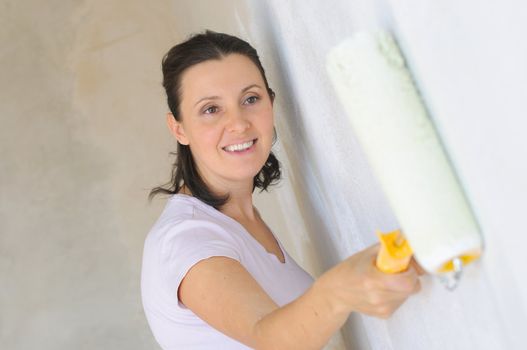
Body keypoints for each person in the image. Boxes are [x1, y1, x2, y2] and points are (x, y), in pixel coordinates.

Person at [141, 30, 422, 350]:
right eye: (210, 109)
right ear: (179, 128)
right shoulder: (185, 239)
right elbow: (268, 338)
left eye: (250, 99)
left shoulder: (239, 220)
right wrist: (336, 292)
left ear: (270, 103)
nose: (238, 123)